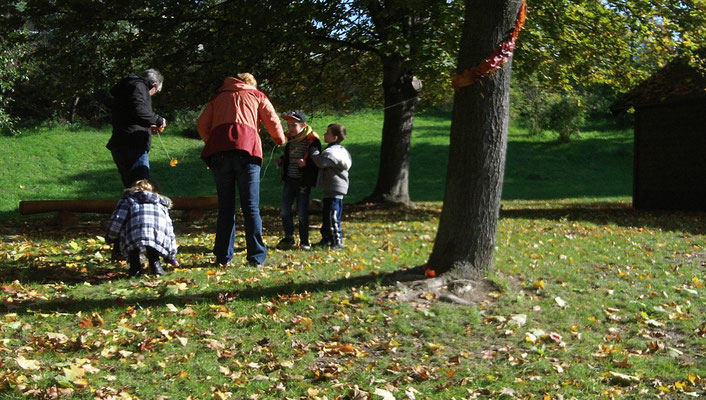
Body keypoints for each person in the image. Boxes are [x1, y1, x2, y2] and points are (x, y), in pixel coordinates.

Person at [197, 73, 286, 266]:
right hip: (248, 152)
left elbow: (202, 124)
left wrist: (213, 141)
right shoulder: (257, 95)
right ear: (250, 84)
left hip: (220, 154)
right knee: (251, 207)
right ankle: (256, 257)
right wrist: (280, 139)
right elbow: (272, 119)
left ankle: (223, 257)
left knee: (225, 208)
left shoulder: (218, 98)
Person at [107, 69, 167, 188]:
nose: (153, 94)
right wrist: (158, 120)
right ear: (154, 85)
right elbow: (139, 110)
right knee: (141, 186)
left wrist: (149, 128)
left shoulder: (128, 87)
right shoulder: (139, 86)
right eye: (156, 91)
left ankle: (128, 207)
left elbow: (130, 116)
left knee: (131, 187)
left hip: (122, 142)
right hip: (132, 144)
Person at [106, 180, 177, 277]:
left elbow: (118, 219)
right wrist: (171, 255)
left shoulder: (127, 200)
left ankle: (135, 269)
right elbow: (169, 228)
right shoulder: (161, 204)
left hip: (134, 234)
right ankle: (156, 266)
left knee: (133, 246)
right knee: (152, 245)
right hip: (158, 234)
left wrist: (111, 235)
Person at [275, 111, 321, 250]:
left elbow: (317, 161)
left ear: (303, 125)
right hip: (290, 180)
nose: (290, 128)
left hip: (303, 181)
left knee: (302, 212)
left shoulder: (312, 140)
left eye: (294, 125)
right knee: (284, 210)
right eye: (288, 125)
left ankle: (304, 241)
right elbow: (289, 157)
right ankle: (289, 237)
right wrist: (282, 161)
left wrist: (305, 165)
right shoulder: (291, 140)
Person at [309, 124, 352, 249]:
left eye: (327, 133)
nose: (324, 135)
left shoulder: (334, 153)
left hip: (335, 188)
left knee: (332, 216)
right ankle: (327, 239)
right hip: (331, 189)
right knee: (327, 216)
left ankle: (337, 241)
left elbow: (319, 162)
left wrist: (314, 148)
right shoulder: (334, 150)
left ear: (335, 137)